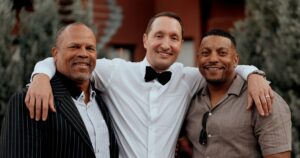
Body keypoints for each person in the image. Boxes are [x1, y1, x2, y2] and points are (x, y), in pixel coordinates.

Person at [25, 12, 273, 157]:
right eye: (159, 36)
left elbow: (222, 66)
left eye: (174, 38)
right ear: (145, 40)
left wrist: (253, 75)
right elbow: (71, 60)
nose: (166, 44)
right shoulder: (115, 72)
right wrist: (40, 77)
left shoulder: (188, 77)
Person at [0, 23, 119, 158]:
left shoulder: (104, 98)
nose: (83, 54)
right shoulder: (30, 99)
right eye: (74, 47)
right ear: (55, 54)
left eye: (90, 48)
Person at [185, 29, 291, 158]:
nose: (212, 59)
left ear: (235, 60)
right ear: (198, 59)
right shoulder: (190, 99)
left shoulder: (263, 98)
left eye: (222, 53)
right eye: (205, 53)